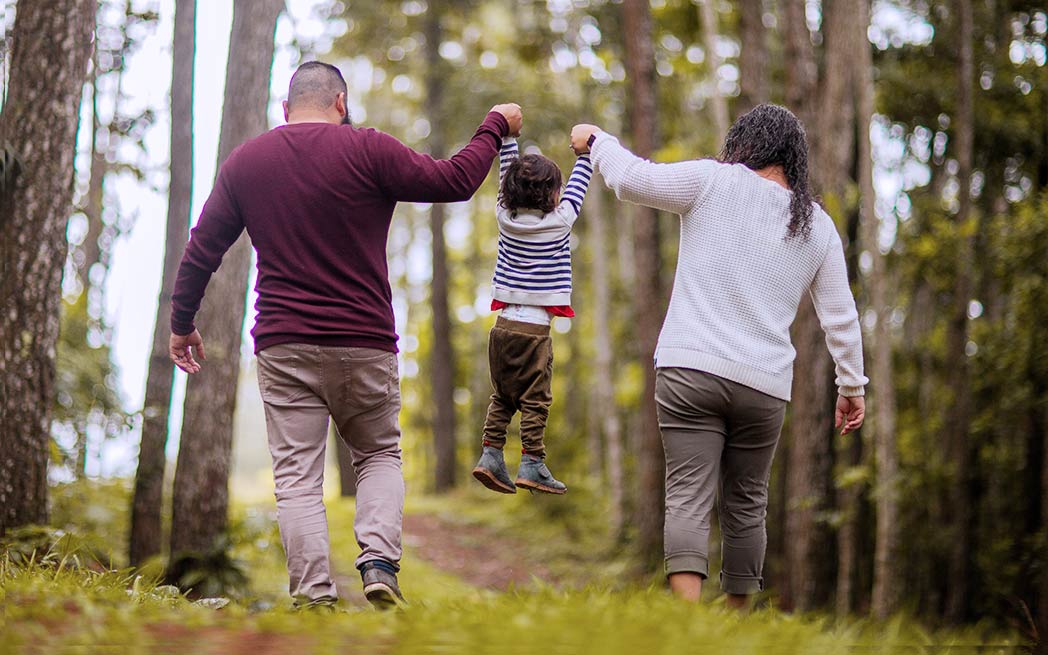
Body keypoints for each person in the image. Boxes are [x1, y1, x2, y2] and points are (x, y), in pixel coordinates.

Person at [168, 61, 522, 609]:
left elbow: (202, 249)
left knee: (296, 478)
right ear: (341, 102)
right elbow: (454, 181)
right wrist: (494, 125)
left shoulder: (248, 161)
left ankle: (313, 598)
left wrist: (182, 322)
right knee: (378, 453)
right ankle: (379, 563)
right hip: (364, 340)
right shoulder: (368, 148)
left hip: (284, 344)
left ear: (286, 110)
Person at [569, 104, 867, 608]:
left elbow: (631, 180)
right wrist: (852, 386)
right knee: (747, 504)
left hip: (690, 370)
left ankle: (687, 625)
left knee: (688, 493)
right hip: (764, 386)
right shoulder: (817, 226)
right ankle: (735, 625)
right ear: (794, 159)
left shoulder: (711, 181)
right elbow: (840, 317)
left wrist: (597, 140)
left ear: (744, 144)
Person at [470, 135, 593, 496]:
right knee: (535, 400)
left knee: (503, 396)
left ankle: (491, 453)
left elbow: (505, 173)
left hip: (502, 327)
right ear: (552, 195)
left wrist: (508, 138)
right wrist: (585, 153)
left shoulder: (503, 218)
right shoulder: (560, 222)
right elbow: (579, 186)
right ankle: (532, 462)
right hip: (534, 332)